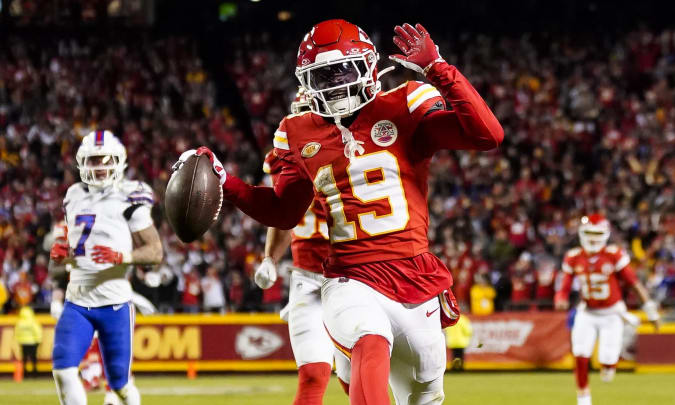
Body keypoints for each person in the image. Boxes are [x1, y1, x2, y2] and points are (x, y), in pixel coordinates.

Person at [174, 19, 503, 405]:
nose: (335, 83)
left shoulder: (405, 103)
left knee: (426, 393)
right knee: (369, 338)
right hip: (349, 276)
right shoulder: (296, 131)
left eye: (343, 70)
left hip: (414, 274)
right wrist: (227, 182)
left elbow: (487, 135)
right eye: (323, 75)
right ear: (306, 81)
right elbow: (284, 212)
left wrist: (439, 70)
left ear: (368, 66)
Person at [49, 130, 163, 405]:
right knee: (63, 370)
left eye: (104, 160)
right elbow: (70, 252)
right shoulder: (73, 194)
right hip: (77, 301)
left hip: (114, 303)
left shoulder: (130, 196)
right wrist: (60, 253)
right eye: (93, 161)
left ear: (118, 161)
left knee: (120, 385)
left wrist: (121, 256)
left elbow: (155, 251)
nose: (99, 167)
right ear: (82, 164)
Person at [256, 146, 351, 403]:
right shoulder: (283, 157)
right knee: (312, 375)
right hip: (307, 280)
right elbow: (283, 213)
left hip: (352, 279)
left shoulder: (351, 147)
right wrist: (269, 258)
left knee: (355, 382)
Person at [554, 214, 660, 405]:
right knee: (580, 354)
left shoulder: (613, 255)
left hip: (612, 314)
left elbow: (634, 284)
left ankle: (609, 366)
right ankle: (583, 400)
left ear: (605, 234)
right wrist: (560, 297)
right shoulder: (573, 257)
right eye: (589, 233)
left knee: (608, 360)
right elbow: (564, 285)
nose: (592, 238)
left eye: (597, 233)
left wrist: (651, 311)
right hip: (587, 312)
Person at [14, 306, 42, 377]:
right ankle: (34, 373)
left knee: (25, 359)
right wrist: (38, 340)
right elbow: (37, 331)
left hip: (23, 343)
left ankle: (25, 373)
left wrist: (18, 340)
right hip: (33, 343)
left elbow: (17, 333)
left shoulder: (19, 322)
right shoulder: (33, 321)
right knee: (33, 358)